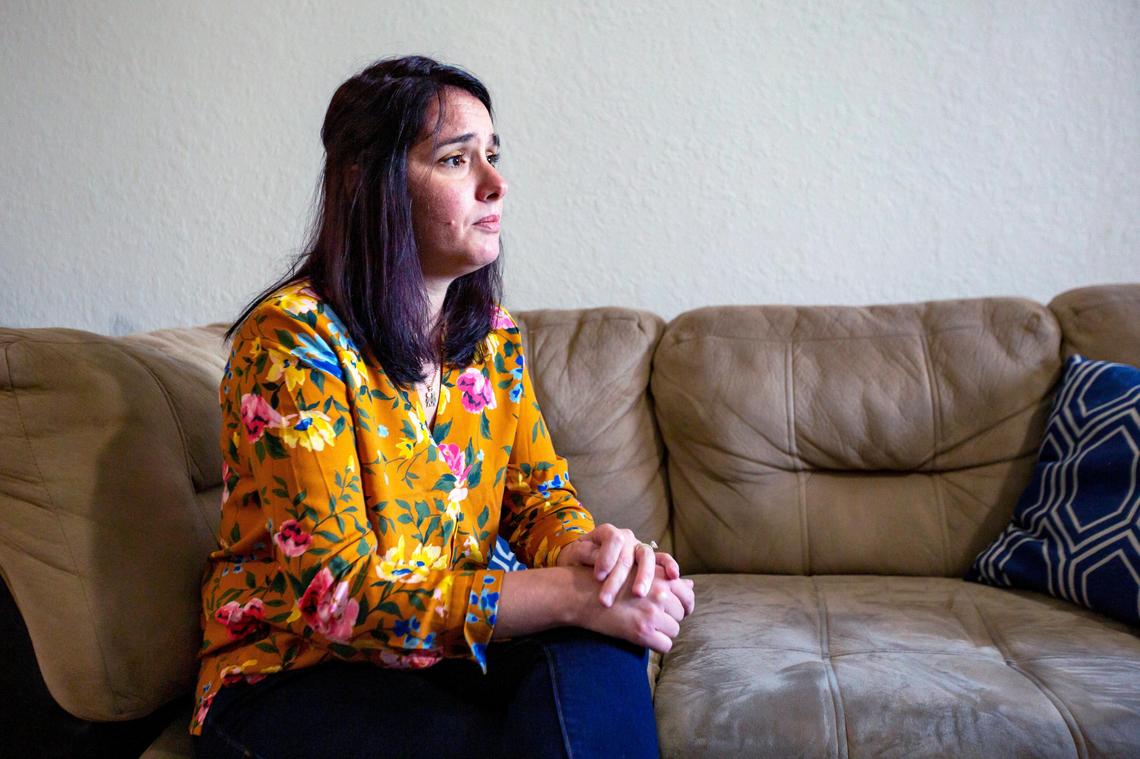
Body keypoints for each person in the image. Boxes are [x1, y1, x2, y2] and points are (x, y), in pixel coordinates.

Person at [191, 55, 695, 758]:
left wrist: (589, 556)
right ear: (373, 186)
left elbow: (536, 497)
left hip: (448, 656)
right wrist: (566, 593)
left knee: (599, 647)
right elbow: (341, 595)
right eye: (457, 160)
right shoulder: (293, 341)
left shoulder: (488, 333)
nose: (496, 183)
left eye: (492, 154)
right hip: (298, 673)